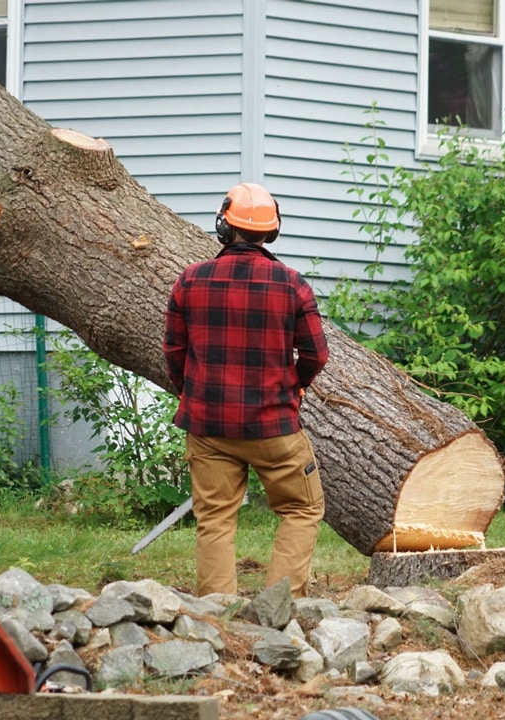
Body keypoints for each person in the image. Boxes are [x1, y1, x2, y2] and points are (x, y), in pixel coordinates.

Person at [163, 182, 330, 598]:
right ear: (271, 232)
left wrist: (195, 393)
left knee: (215, 519)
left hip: (208, 426)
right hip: (273, 426)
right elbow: (316, 355)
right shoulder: (292, 285)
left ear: (224, 225)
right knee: (302, 508)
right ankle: (280, 607)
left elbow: (174, 351)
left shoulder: (189, 280)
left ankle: (216, 617)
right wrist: (295, 385)